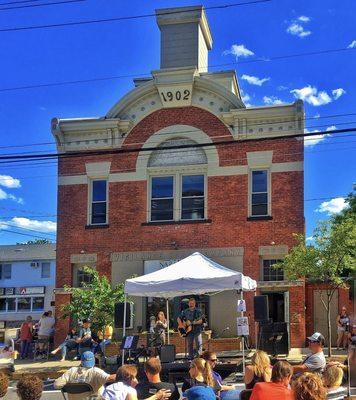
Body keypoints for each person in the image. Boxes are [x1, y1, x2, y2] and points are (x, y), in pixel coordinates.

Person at [102, 364, 171, 400]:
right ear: (131, 378)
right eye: (135, 377)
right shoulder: (129, 390)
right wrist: (156, 396)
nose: (137, 380)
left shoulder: (109, 387)